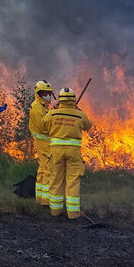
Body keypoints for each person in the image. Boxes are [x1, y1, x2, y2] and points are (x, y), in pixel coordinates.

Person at [42, 87, 92, 219]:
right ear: (73, 100)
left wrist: (55, 110)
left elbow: (44, 124)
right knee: (73, 181)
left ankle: (55, 212)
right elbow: (88, 126)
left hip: (56, 153)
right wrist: (78, 111)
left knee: (56, 180)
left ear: (60, 100)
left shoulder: (53, 114)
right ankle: (73, 214)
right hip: (73, 154)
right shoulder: (79, 114)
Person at [29, 80, 54, 205]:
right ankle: (46, 200)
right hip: (44, 143)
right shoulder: (38, 108)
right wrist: (55, 119)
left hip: (44, 142)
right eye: (44, 93)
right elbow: (44, 127)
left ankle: (39, 198)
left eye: (49, 93)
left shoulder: (42, 106)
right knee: (49, 169)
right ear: (38, 93)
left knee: (43, 168)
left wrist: (53, 113)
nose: (47, 95)